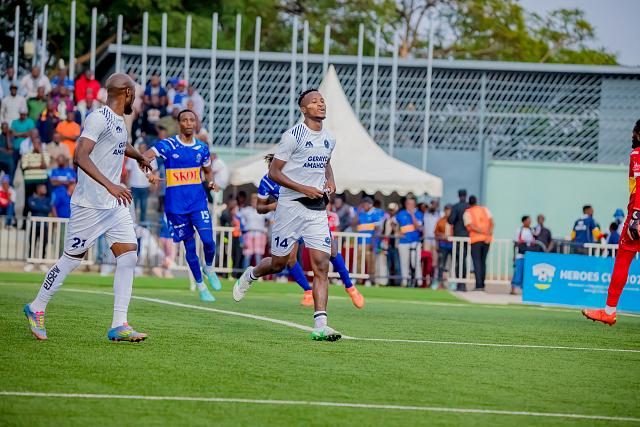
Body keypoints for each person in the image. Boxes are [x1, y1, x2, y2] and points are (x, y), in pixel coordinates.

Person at [23, 73, 151, 342]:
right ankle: (36, 306)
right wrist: (110, 185)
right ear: (127, 93)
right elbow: (79, 155)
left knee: (129, 256)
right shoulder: (98, 117)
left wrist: (140, 157)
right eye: (134, 93)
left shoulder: (118, 121)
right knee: (71, 259)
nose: (135, 98)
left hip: (113, 205)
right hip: (89, 205)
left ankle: (119, 324)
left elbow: (120, 144)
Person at [233, 89, 343, 341]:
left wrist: (330, 180)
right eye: (314, 102)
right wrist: (304, 188)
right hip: (290, 207)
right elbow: (274, 172)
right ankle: (251, 274)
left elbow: (325, 162)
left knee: (321, 265)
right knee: (279, 263)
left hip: (316, 210)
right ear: (304, 109)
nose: (321, 104)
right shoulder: (293, 136)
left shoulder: (329, 138)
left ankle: (321, 325)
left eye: (322, 101)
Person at [256, 153, 364, 308]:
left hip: (311, 217)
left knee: (332, 251)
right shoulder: (267, 181)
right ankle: (307, 291)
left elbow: (323, 167)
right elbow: (259, 208)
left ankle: (350, 287)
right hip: (290, 222)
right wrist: (273, 206)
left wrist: (328, 184)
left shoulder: (296, 174)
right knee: (289, 260)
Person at [145, 109, 222, 302]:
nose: (188, 123)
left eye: (191, 120)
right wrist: (150, 173)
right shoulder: (168, 145)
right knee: (190, 248)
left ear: (196, 124)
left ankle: (209, 268)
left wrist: (211, 182)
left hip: (198, 202)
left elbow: (208, 171)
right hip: (176, 206)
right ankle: (201, 287)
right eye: (185, 120)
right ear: (179, 124)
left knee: (208, 241)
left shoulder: (202, 148)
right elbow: (145, 156)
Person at [583, 120, 640, 325]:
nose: (632, 135)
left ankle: (609, 311)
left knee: (622, 261)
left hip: (637, 215)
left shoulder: (637, 154)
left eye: (634, 132)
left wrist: (636, 216)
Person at [463, 195, 494, 291]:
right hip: (486, 240)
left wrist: (481, 232)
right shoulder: (485, 210)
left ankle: (479, 285)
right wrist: (488, 234)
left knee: (477, 262)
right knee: (483, 262)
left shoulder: (468, 212)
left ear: (469, 202)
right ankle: (482, 285)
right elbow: (492, 223)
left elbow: (470, 225)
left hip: (476, 240)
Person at [353, 196, 384, 285]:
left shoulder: (376, 213)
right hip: (360, 242)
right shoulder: (361, 213)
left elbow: (377, 229)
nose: (364, 206)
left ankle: (371, 280)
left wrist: (373, 242)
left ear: (370, 204)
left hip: (370, 242)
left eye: (365, 204)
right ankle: (359, 280)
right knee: (359, 261)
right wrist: (358, 212)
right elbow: (353, 223)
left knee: (371, 261)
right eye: (363, 204)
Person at [20, 132, 49, 217]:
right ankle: (25, 221)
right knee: (27, 201)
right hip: (29, 181)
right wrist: (38, 167)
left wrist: (41, 153)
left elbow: (44, 166)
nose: (37, 145)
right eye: (35, 143)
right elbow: (24, 166)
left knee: (42, 200)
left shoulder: (45, 154)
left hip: (41, 180)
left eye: (39, 143)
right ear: (32, 144)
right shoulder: (27, 154)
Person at [448, 189, 470, 291]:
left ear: (458, 196)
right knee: (464, 259)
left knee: (458, 259)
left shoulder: (456, 207)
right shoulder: (469, 207)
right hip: (467, 237)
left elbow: (450, 220)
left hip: (458, 237)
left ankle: (459, 283)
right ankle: (463, 284)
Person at [126, 143, 154, 223]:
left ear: (146, 148)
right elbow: (128, 171)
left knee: (143, 206)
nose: (142, 149)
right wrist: (127, 184)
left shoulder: (150, 158)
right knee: (133, 206)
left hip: (145, 186)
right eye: (141, 147)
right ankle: (133, 223)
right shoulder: (132, 158)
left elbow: (154, 171)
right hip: (134, 185)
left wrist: (153, 184)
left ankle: (142, 223)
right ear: (138, 148)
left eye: (144, 147)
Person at [239, 194, 269, 269]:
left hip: (260, 234)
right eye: (253, 201)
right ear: (251, 201)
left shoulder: (263, 210)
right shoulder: (246, 210)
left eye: (256, 201)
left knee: (258, 255)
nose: (254, 202)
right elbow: (238, 217)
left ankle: (258, 273)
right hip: (249, 233)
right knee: (247, 256)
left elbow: (271, 218)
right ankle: (245, 273)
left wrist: (266, 226)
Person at [511, 215, 535, 293]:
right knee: (517, 272)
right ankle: (513, 289)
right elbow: (515, 243)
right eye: (528, 220)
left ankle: (525, 290)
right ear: (524, 221)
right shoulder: (519, 230)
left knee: (526, 272)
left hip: (528, 254)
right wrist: (514, 255)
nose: (530, 222)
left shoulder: (532, 230)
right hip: (520, 254)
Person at [379, 202, 400, 285]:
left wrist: (394, 227)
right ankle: (389, 281)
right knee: (388, 264)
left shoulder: (398, 220)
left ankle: (397, 282)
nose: (391, 212)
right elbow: (383, 232)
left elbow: (399, 232)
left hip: (395, 245)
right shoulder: (385, 220)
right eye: (390, 210)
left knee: (396, 265)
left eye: (392, 210)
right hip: (387, 245)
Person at [434, 204, 453, 288]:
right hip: (443, 245)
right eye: (447, 210)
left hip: (452, 245)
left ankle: (452, 282)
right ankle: (439, 282)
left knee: (453, 265)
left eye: (450, 210)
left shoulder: (454, 221)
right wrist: (441, 235)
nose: (448, 212)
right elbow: (436, 232)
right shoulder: (441, 221)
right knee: (441, 264)